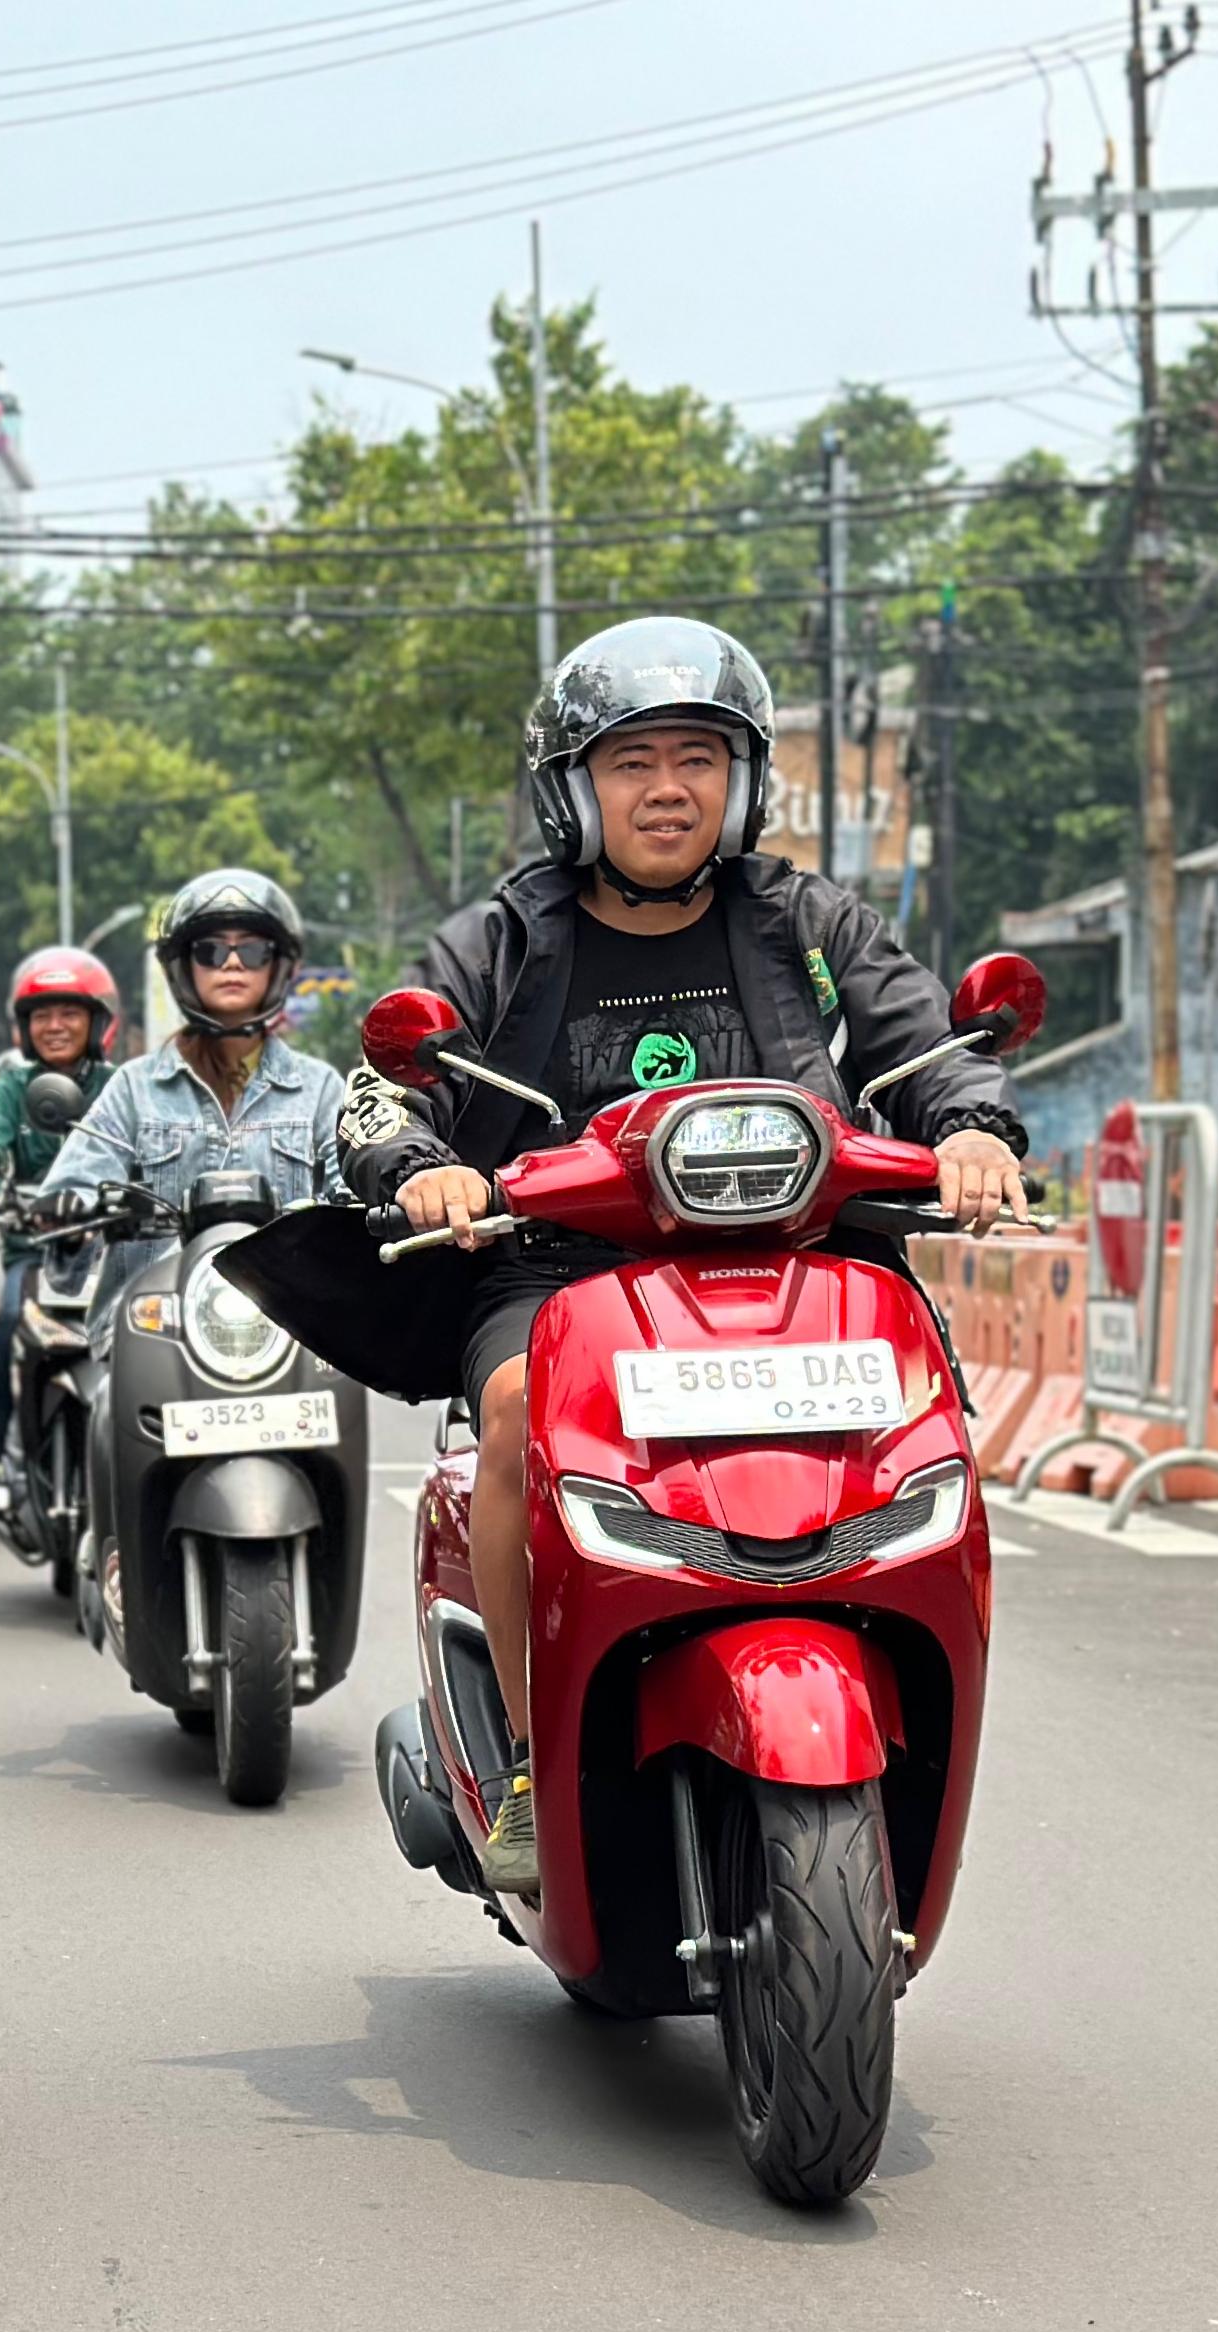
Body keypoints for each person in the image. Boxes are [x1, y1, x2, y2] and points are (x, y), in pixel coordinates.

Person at [346, 617, 1031, 1896]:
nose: (667, 788)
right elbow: (377, 1091)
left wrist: (974, 1132)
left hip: (802, 1261)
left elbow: (927, 1044)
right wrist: (418, 1165)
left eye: (699, 758)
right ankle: (527, 1767)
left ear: (744, 780)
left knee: (921, 1427)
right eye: (631, 762)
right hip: (558, 1270)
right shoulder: (504, 935)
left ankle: (896, 1701)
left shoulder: (805, 921)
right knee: (510, 1413)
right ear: (573, 787)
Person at [33, 869, 344, 1229]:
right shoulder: (133, 1089)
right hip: (152, 1285)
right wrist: (66, 1213)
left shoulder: (320, 1090)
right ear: (183, 966)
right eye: (210, 951)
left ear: (278, 966)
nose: (232, 963)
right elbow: (77, 1185)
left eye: (254, 950)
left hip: (278, 1286)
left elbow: (352, 1190)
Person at [0, 947, 120, 1523]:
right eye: (42, 1015)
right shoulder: (9, 1088)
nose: (55, 1026)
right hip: (36, 1254)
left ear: (97, 1022)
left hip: (115, 1253)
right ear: (24, 1027)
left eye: (69, 1013)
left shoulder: (121, 1086)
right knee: (5, 1325)